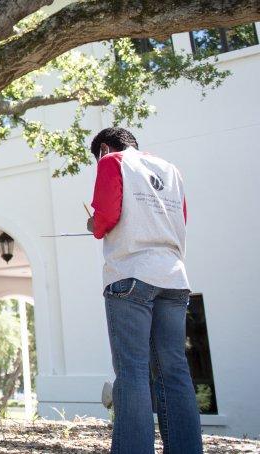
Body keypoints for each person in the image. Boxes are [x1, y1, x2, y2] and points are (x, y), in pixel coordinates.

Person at [86, 127, 201, 454]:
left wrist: (93, 225)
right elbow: (181, 219)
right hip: (174, 277)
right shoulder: (171, 170)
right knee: (175, 372)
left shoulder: (112, 162)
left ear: (105, 148)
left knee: (133, 372)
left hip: (131, 273)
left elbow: (106, 217)